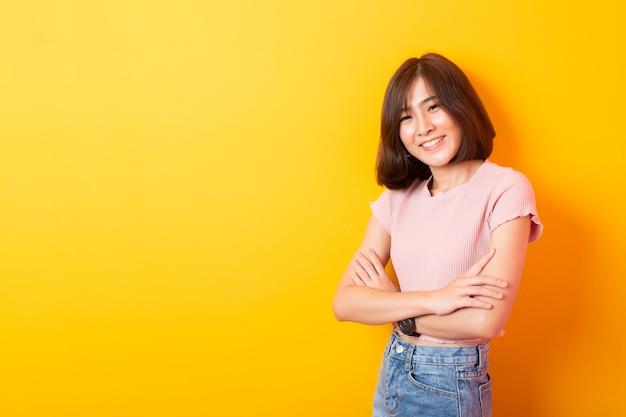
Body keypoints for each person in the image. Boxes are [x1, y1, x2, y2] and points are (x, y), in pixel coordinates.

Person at [332, 53, 542, 417]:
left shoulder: (505, 189)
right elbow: (345, 303)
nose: (423, 127)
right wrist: (437, 299)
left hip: (451, 380)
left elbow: (484, 321)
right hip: (393, 371)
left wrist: (395, 306)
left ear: (462, 108)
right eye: (406, 117)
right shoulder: (397, 198)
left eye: (434, 107)